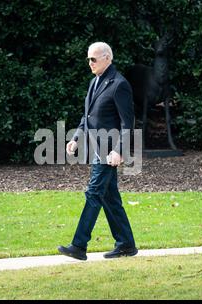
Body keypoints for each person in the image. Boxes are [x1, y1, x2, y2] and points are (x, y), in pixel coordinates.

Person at [58, 42, 138, 260]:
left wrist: (119, 151)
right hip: (97, 148)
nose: (90, 63)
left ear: (107, 58)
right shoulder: (95, 82)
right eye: (88, 59)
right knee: (110, 198)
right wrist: (75, 138)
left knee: (94, 193)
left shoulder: (119, 84)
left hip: (109, 150)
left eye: (94, 59)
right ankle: (126, 244)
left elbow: (127, 122)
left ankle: (79, 245)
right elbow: (88, 116)